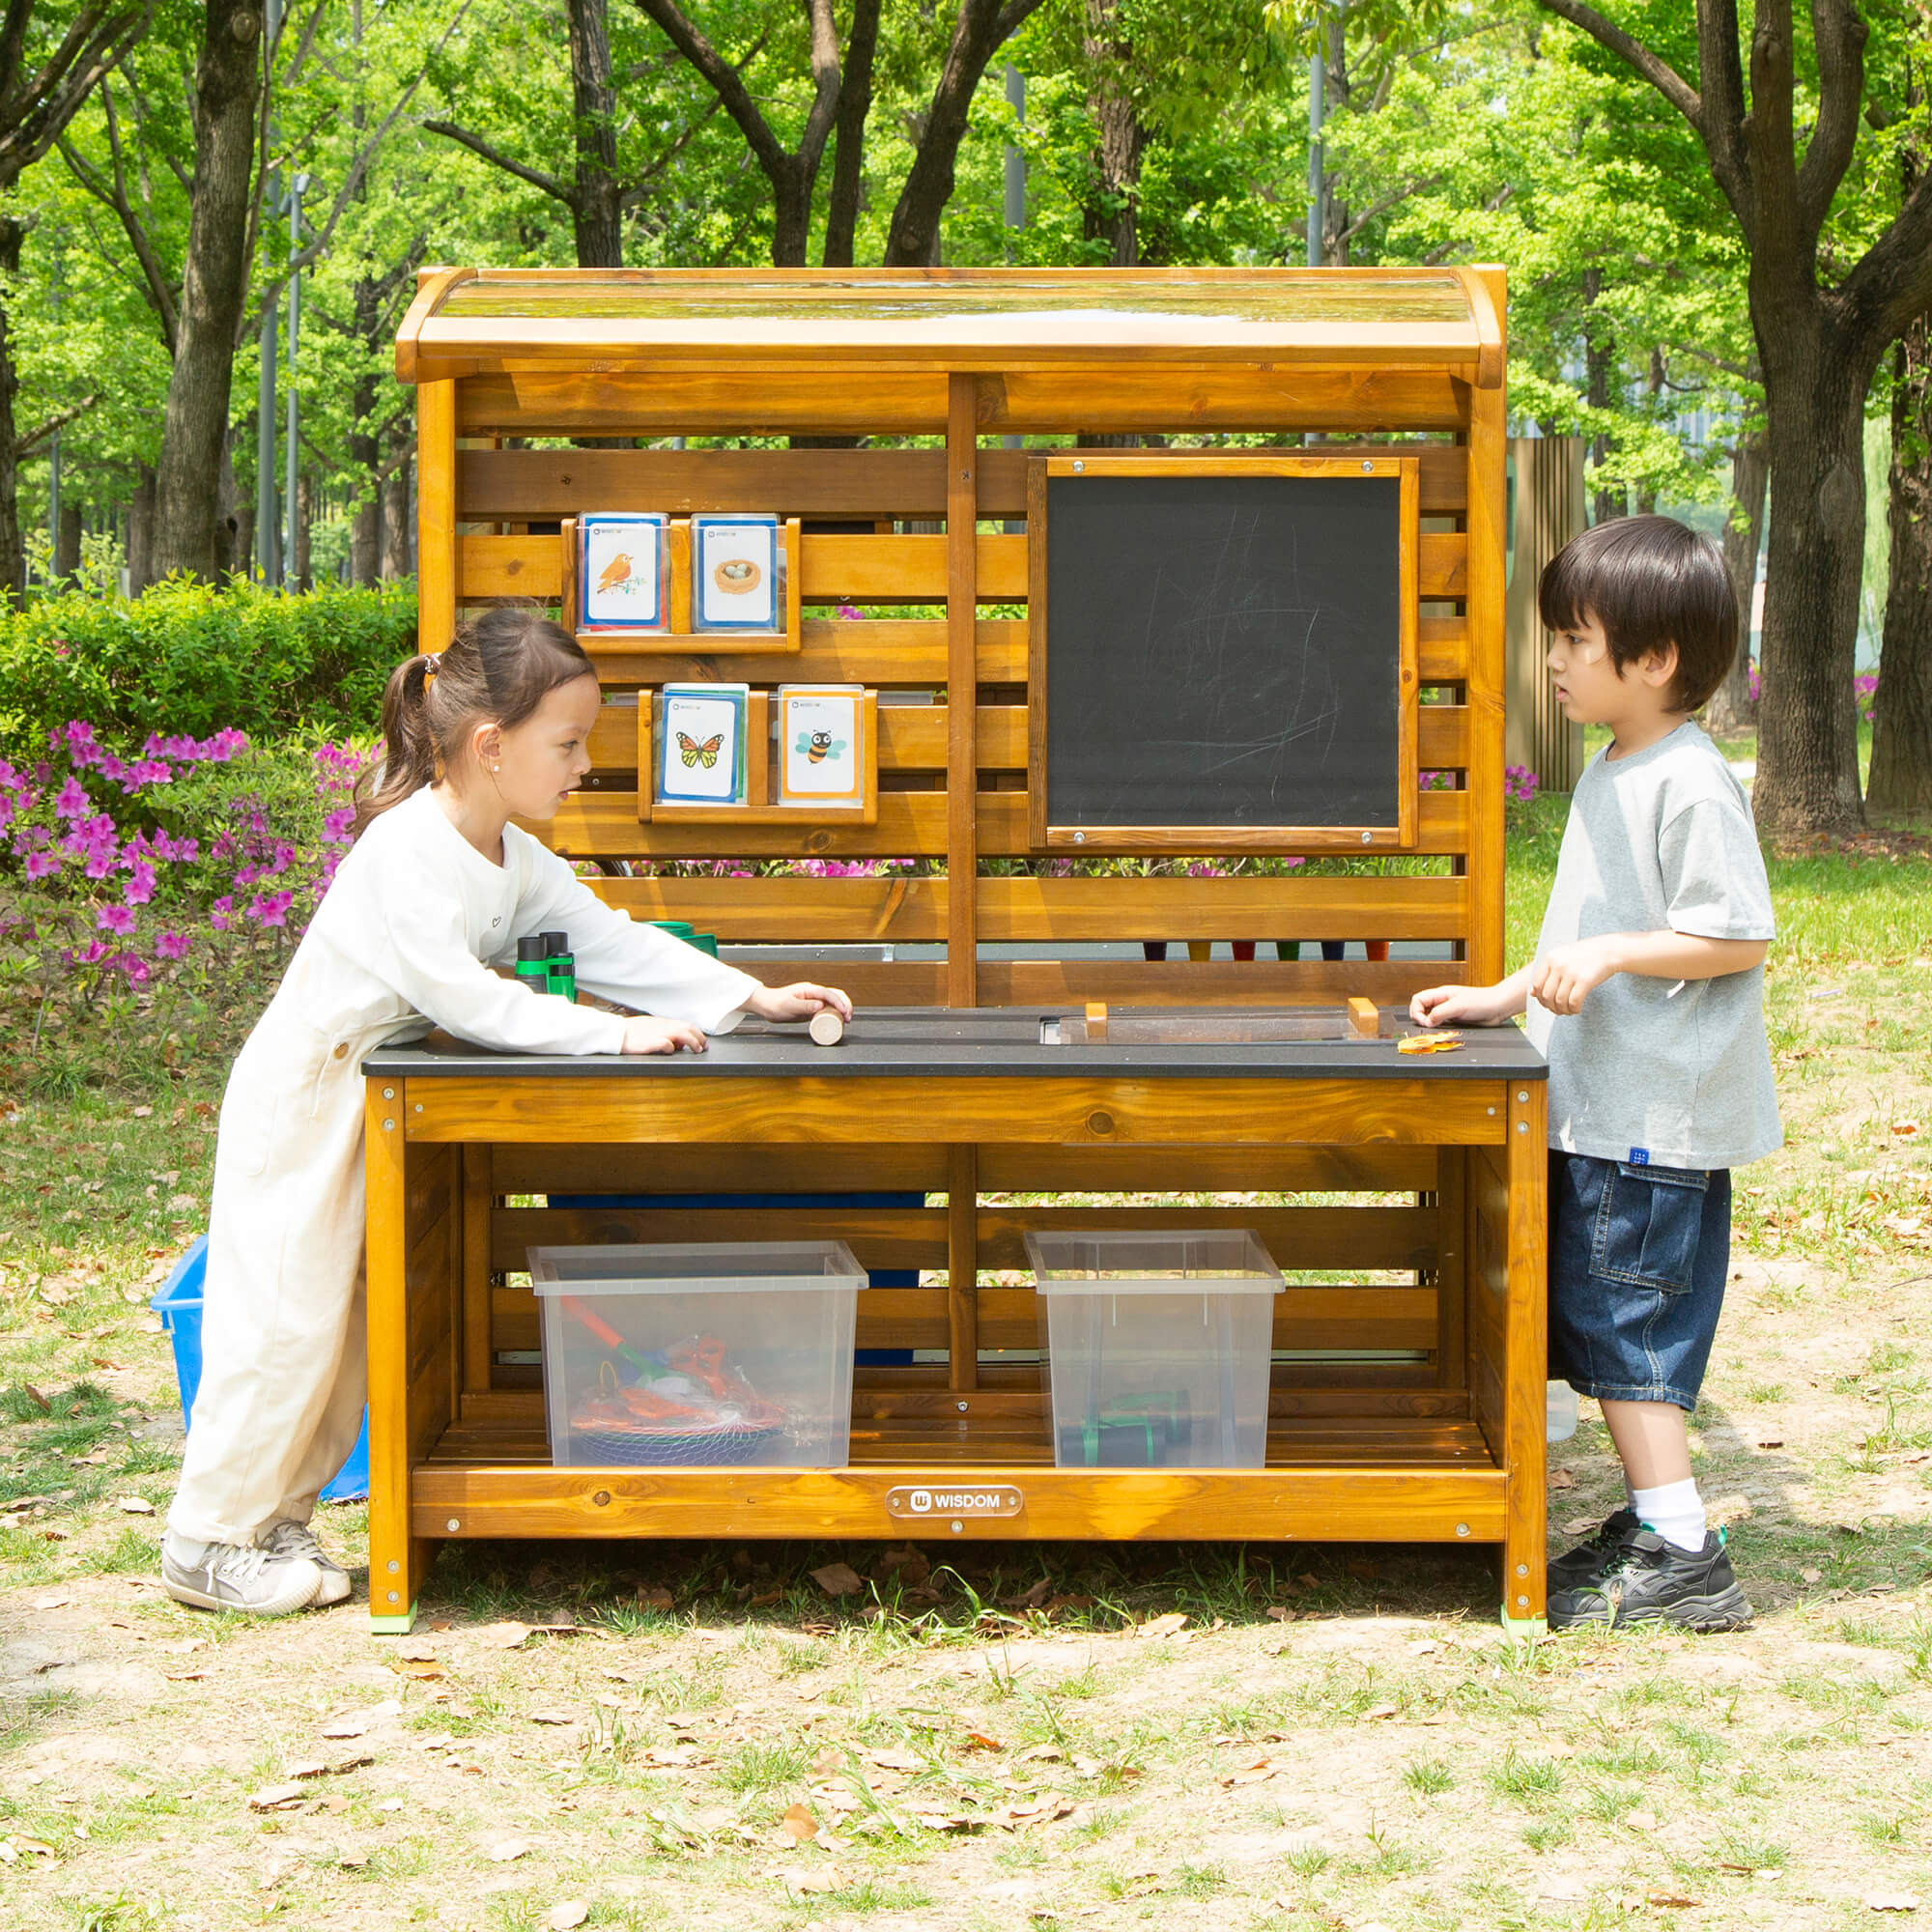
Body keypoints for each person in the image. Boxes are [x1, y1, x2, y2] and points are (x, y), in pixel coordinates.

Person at [161, 611, 852, 1616]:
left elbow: (614, 942)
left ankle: (276, 1519)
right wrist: (613, 1035)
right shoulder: (405, 852)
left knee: (350, 1326)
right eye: (566, 744)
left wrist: (749, 996)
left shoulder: (507, 852)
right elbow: (467, 998)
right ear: (490, 747)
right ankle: (206, 1536)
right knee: (284, 1316)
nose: (582, 766)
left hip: (371, 1098)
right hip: (306, 1098)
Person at [1410, 516, 1777, 1632]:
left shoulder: (1686, 779)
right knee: (1595, 1313)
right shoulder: (1612, 771)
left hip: (1652, 1119)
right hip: (1604, 1106)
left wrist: (1614, 954)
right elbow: (1590, 926)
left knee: (1627, 1326)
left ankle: (1681, 1549)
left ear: (1652, 659)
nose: (1553, 662)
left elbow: (1736, 935)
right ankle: (1649, 1515)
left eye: (1573, 640)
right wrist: (1506, 991)